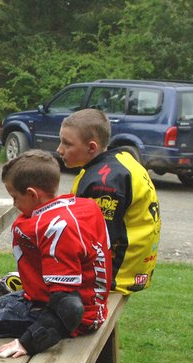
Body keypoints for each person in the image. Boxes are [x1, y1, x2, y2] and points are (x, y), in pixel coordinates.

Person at [0, 150, 112, 361]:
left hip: (74, 317)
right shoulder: (81, 205)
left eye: (15, 197)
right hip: (48, 298)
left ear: (32, 194)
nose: (14, 204)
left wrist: (28, 341)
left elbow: (69, 307)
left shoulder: (56, 229)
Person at [57, 108, 161, 294]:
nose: (60, 149)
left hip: (116, 275)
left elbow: (95, 242)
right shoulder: (122, 158)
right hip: (136, 269)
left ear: (91, 147)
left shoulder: (104, 183)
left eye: (67, 144)